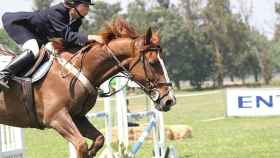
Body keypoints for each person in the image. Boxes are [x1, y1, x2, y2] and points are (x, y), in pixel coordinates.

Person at [0, 0, 103, 90]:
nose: (88, 9)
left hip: (37, 34)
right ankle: (3, 75)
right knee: (34, 50)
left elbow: (71, 41)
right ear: (74, 4)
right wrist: (90, 37)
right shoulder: (58, 12)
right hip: (19, 25)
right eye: (86, 5)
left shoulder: (77, 20)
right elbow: (68, 35)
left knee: (50, 51)